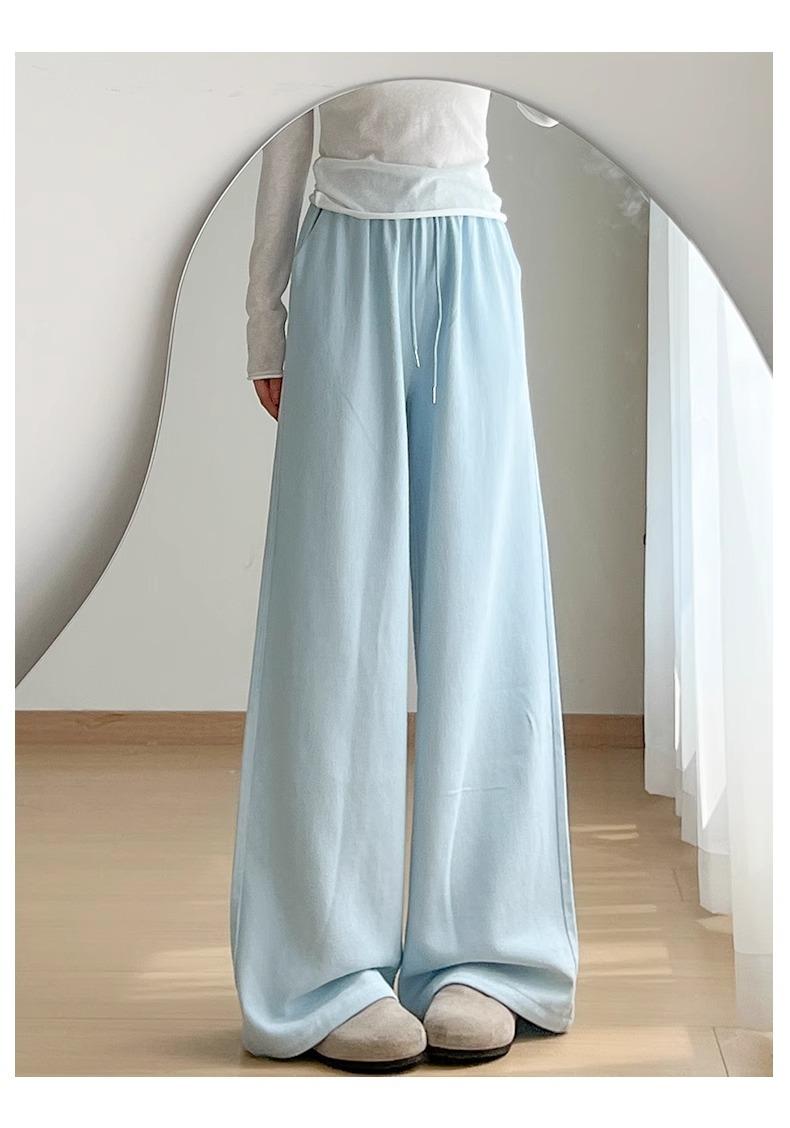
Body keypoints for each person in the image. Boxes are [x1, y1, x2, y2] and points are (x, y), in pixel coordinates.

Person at [230, 79, 579, 1073]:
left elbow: (560, 92)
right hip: (341, 251)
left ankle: (487, 951)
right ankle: (323, 964)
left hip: (470, 249)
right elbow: (283, 116)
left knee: (485, 607)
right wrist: (265, 317)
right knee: (332, 613)